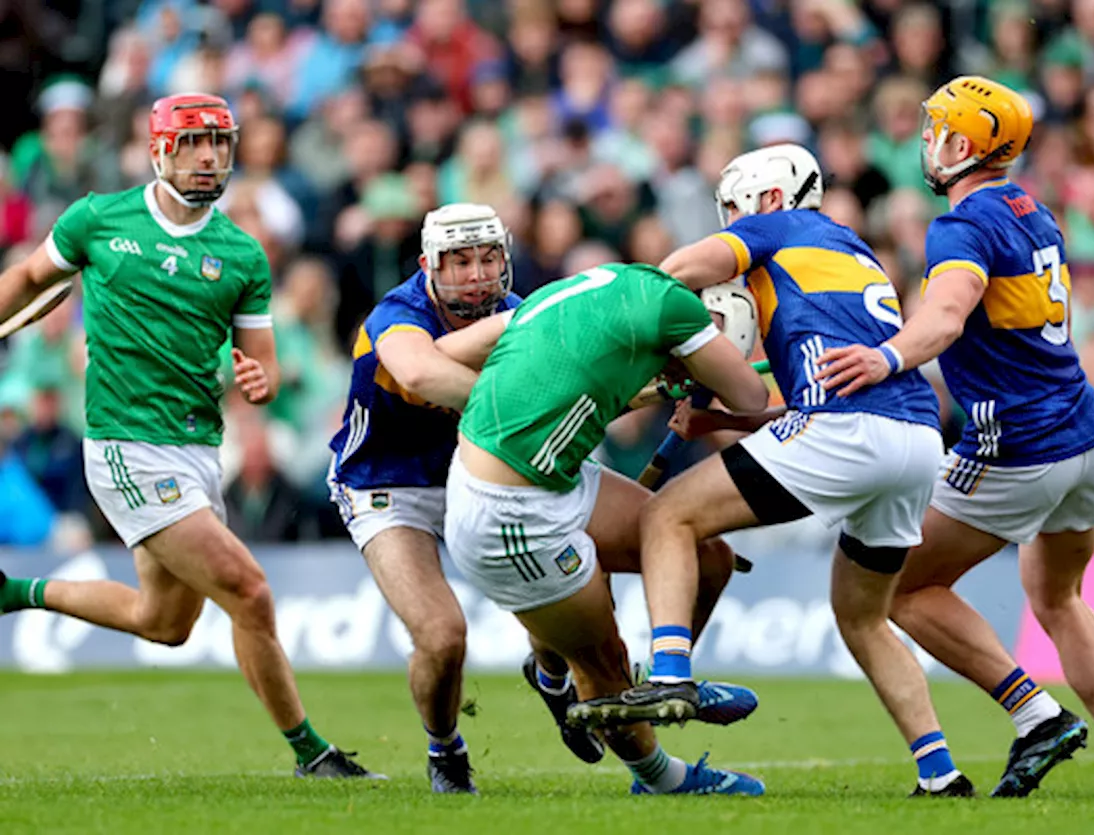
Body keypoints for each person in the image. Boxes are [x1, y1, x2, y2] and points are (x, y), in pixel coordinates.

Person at [574, 144, 974, 797]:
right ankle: (939, 770)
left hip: (844, 431)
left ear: (767, 198)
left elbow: (679, 269)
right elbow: (831, 396)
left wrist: (626, 315)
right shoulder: (848, 247)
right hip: (914, 438)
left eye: (732, 209)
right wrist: (722, 422)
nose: (730, 221)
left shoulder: (775, 226)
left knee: (667, 513)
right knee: (862, 614)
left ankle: (670, 669)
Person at [0, 94, 380, 780]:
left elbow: (259, 361)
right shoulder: (98, 219)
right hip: (124, 443)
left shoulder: (241, 254)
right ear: (158, 150)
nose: (210, 157)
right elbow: (30, 278)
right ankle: (310, 752)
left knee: (164, 622)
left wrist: (258, 380)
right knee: (250, 589)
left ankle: (13, 593)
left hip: (199, 447)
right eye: (194, 143)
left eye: (221, 144)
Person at [815, 76, 1094, 800]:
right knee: (1060, 596)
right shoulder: (1033, 210)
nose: (926, 140)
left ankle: (1035, 713)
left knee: (902, 586)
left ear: (963, 145)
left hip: (1018, 447)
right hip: (1086, 436)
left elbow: (945, 317)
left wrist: (885, 356)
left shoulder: (960, 227)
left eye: (937, 129)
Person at [435, 260, 769, 796]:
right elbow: (751, 397)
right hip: (507, 515)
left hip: (558, 478)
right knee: (604, 668)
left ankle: (660, 679)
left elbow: (449, 354)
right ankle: (661, 778)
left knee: (706, 554)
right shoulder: (679, 313)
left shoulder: (606, 283)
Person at [327, 201, 603, 792]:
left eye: (487, 259)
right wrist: (522, 401)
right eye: (459, 262)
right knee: (442, 636)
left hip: (479, 475)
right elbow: (423, 376)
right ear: (429, 265)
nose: (476, 274)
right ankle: (445, 749)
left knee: (556, 586)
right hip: (387, 484)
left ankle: (552, 675)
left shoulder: (519, 311)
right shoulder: (396, 314)